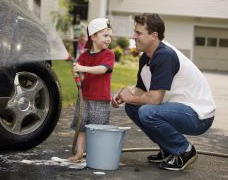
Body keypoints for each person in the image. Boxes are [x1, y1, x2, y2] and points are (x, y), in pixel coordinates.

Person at [112, 13, 216, 171]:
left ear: (153, 36)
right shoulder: (146, 56)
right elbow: (141, 89)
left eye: (138, 33)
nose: (133, 36)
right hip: (178, 109)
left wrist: (131, 97)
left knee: (148, 111)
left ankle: (184, 150)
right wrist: (124, 97)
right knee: (132, 107)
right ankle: (169, 149)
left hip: (198, 115)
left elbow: (154, 99)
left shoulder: (165, 55)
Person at [68, 18, 115, 162]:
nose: (109, 39)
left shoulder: (108, 54)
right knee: (81, 127)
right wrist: (77, 73)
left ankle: (97, 156)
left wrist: (82, 68)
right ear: (93, 36)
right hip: (84, 99)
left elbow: (103, 69)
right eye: (105, 35)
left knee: (97, 130)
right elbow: (82, 78)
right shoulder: (83, 56)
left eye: (110, 36)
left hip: (100, 100)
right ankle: (79, 153)